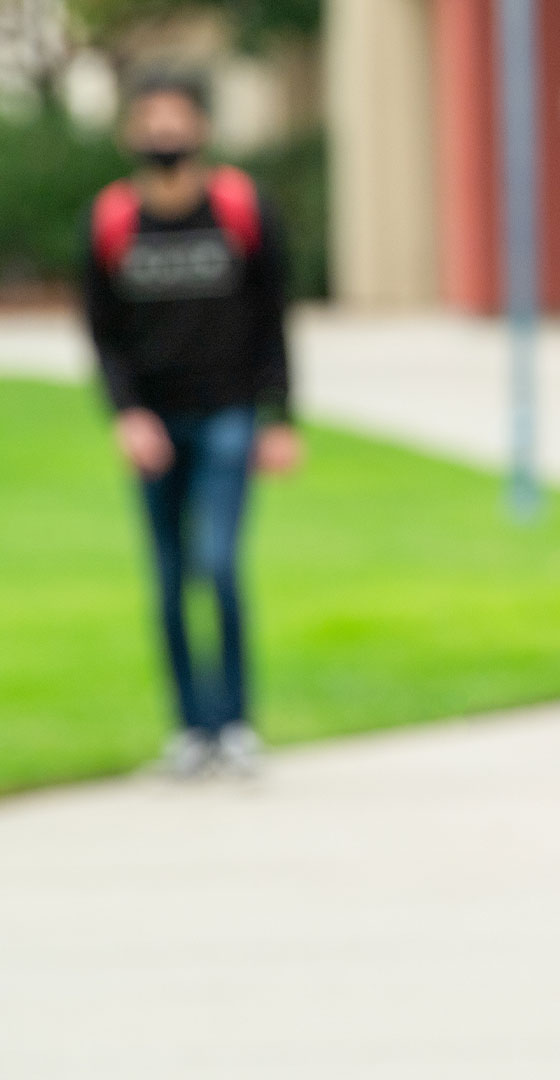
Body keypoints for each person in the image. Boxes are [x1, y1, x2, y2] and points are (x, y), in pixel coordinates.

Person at [82, 73, 299, 778]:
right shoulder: (113, 219)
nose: (164, 132)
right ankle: (189, 731)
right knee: (170, 580)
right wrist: (127, 415)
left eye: (176, 118)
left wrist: (279, 416)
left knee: (219, 564)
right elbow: (102, 333)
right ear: (130, 133)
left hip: (230, 413)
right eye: (151, 119)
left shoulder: (240, 208)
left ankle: (235, 724)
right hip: (156, 423)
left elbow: (274, 318)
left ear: (201, 129)